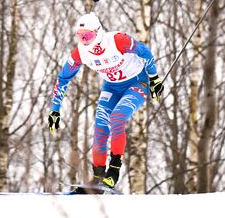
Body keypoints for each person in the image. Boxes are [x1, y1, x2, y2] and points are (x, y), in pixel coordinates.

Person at [47, 12, 163, 193]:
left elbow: (145, 52)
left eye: (88, 35)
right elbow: (63, 79)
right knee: (100, 126)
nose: (84, 40)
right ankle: (98, 177)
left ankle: (113, 171)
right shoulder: (80, 52)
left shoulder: (117, 41)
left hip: (136, 82)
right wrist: (55, 110)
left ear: (98, 32)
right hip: (111, 88)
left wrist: (154, 78)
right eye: (80, 36)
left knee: (116, 118)